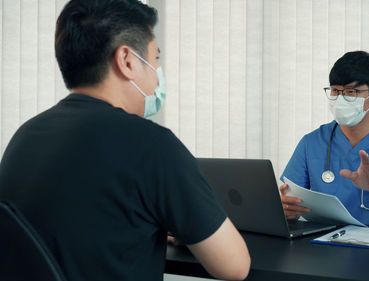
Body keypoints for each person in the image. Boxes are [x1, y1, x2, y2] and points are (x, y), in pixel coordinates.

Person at [0, 1, 250, 280]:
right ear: (127, 61)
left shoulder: (25, 136)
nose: (157, 74)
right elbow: (235, 267)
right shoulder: (152, 145)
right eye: (156, 59)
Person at [280, 51, 369, 228]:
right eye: (335, 90)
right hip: (324, 244)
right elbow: (290, 201)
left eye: (351, 92)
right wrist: (287, 210)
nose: (340, 99)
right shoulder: (311, 143)